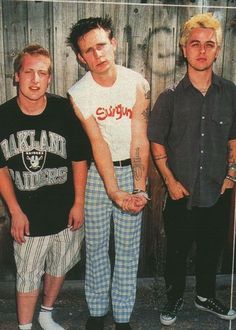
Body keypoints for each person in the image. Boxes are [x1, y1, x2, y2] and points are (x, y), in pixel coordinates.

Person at [148, 12, 236, 326]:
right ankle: (173, 299)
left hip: (217, 188)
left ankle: (205, 296)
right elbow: (156, 142)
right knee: (177, 251)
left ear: (217, 50)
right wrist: (169, 180)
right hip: (179, 191)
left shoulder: (231, 93)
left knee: (211, 250)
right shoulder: (169, 98)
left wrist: (231, 174)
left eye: (209, 44)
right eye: (195, 44)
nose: (202, 50)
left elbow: (234, 138)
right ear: (184, 49)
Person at [67, 16, 150, 330]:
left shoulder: (137, 83)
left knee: (128, 249)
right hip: (97, 177)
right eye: (88, 51)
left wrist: (139, 189)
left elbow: (139, 136)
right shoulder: (80, 92)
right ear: (80, 57)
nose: (97, 54)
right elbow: (97, 142)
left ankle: (124, 318)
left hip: (132, 171)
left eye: (101, 45)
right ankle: (98, 312)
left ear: (113, 44)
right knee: (97, 246)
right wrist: (113, 191)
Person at [0, 44, 91, 330]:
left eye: (42, 73)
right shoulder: (3, 117)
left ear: (49, 78)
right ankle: (25, 327)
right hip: (27, 215)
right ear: (16, 76)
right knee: (27, 274)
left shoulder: (64, 110)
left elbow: (78, 159)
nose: (35, 80)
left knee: (59, 265)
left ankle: (46, 314)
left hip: (64, 212)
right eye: (29, 72)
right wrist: (14, 210)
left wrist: (79, 202)